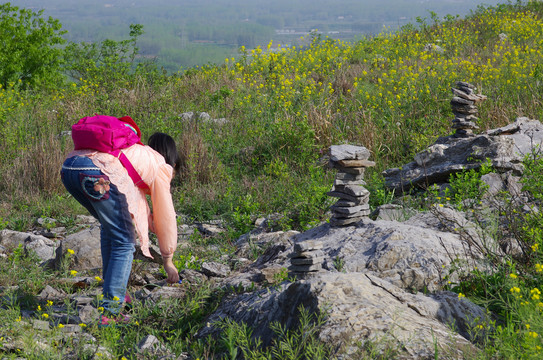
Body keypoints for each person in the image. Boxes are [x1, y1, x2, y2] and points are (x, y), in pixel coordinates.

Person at [60, 127, 180, 324]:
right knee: (125, 241)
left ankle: (116, 293)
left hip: (70, 169)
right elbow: (165, 216)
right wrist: (167, 260)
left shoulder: (135, 154)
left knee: (112, 230)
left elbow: (141, 209)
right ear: (172, 161)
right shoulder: (160, 166)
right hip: (96, 172)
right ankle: (111, 311)